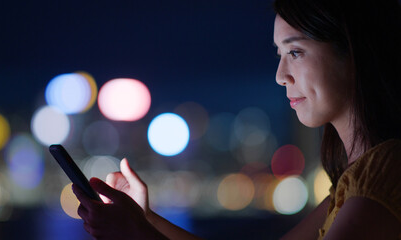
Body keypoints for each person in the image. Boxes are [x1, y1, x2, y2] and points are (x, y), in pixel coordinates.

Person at [72, 0, 401, 239]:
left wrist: (138, 234)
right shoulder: (354, 181)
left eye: (296, 52)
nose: (280, 75)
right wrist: (145, 219)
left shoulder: (384, 174)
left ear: (353, 51)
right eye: (279, 55)